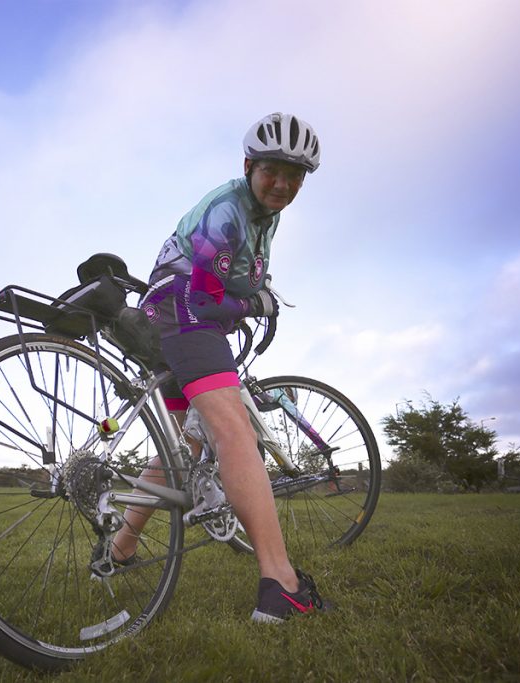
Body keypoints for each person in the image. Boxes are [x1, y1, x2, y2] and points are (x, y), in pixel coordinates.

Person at [108, 112, 327, 623]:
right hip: (186, 312)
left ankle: (121, 547)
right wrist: (258, 307)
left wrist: (256, 292)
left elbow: (240, 276)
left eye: (295, 176)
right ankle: (282, 583)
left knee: (186, 443)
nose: (283, 183)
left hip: (166, 313)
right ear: (249, 165)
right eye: (273, 169)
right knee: (235, 432)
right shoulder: (226, 211)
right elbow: (207, 298)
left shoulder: (262, 215)